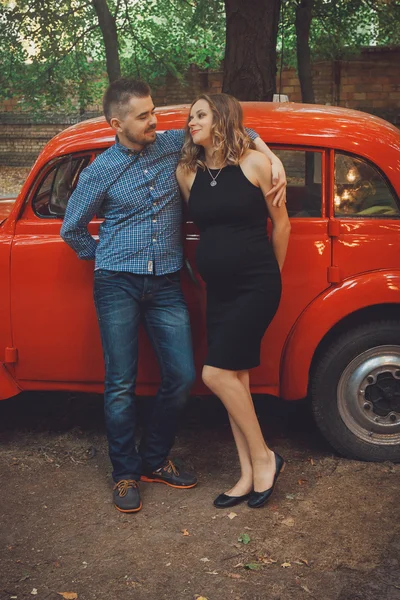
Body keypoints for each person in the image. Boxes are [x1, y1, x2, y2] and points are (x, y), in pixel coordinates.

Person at [60, 78, 287, 514]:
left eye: (154, 113)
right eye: (144, 116)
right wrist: (105, 257)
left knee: (183, 376)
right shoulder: (100, 170)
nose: (156, 121)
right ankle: (125, 472)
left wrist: (272, 156)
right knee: (121, 383)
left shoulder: (169, 147)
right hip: (117, 282)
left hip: (165, 280)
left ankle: (155, 459)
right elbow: (71, 228)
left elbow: (228, 125)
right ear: (117, 123)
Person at [176, 93, 291, 509]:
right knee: (235, 379)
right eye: (191, 117)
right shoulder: (188, 173)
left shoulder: (257, 165)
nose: (192, 122)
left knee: (215, 375)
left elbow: (282, 225)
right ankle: (246, 474)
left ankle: (265, 458)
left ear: (221, 119)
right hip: (219, 290)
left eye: (200, 115)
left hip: (257, 285)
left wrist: (272, 276)